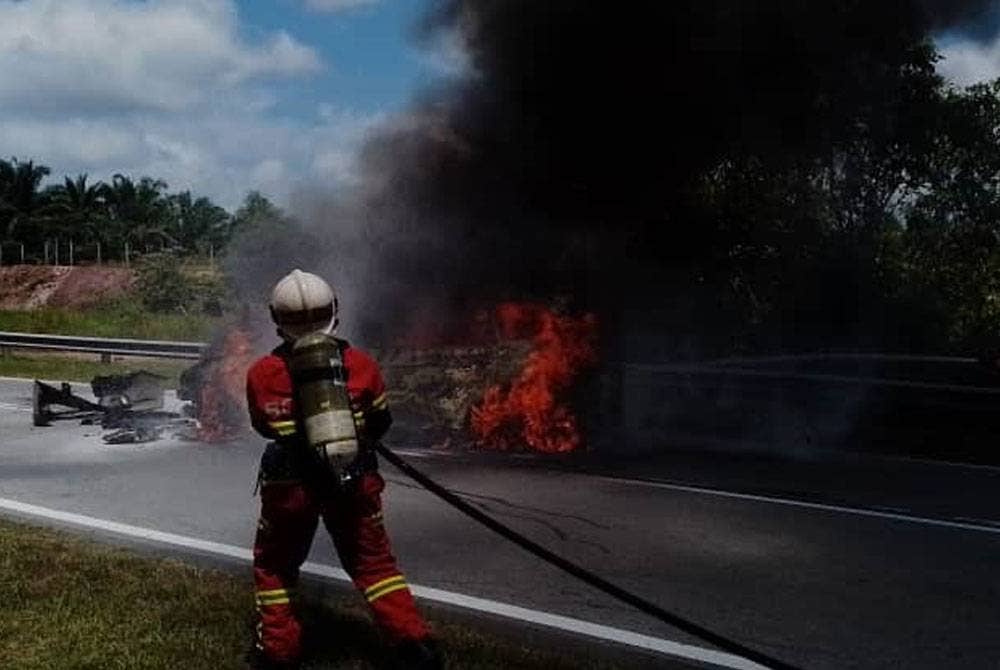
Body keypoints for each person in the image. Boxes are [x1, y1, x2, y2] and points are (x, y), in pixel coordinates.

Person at [245, 269, 441, 669]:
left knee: (276, 566)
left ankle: (279, 652)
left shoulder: (261, 374)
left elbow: (263, 426)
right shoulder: (362, 365)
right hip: (353, 480)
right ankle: (413, 646)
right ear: (336, 310)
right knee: (374, 566)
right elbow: (381, 421)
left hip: (289, 485)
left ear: (276, 318)